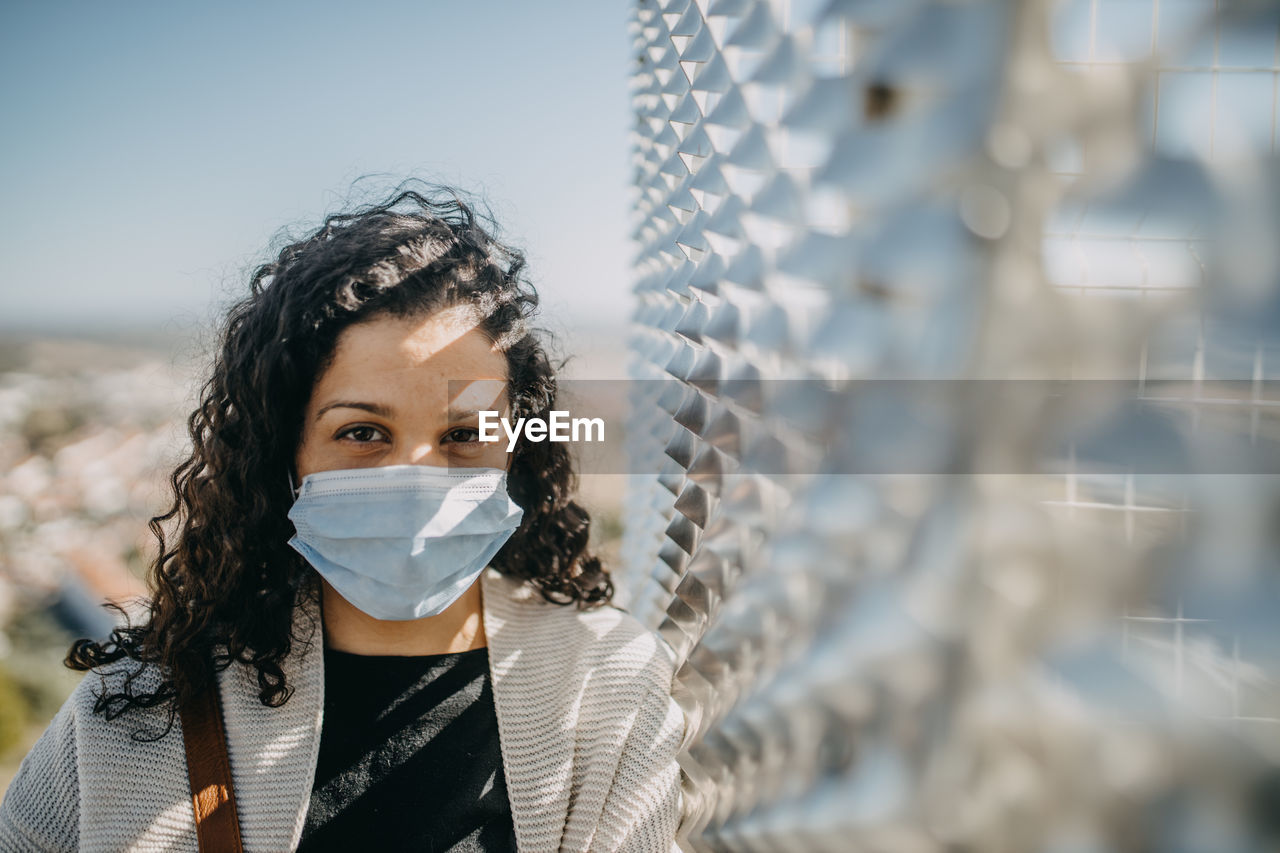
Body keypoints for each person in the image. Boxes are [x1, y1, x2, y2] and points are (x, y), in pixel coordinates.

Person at [0, 185, 686, 852]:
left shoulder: (607, 690)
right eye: (362, 433)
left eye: (463, 434)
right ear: (285, 453)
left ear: (516, 448)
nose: (416, 478)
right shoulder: (139, 711)